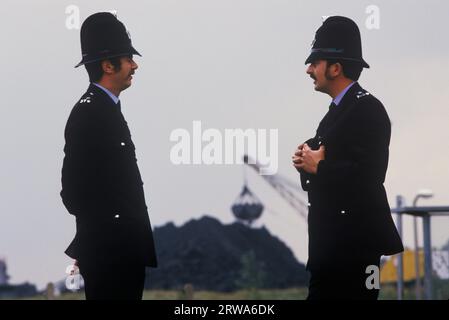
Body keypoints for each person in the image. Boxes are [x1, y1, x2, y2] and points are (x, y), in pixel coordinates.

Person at [292, 16, 403, 300]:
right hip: (330, 256)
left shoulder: (368, 110)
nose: (308, 70)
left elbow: (369, 178)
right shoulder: (339, 111)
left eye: (314, 63)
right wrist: (308, 162)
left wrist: (320, 166)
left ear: (335, 67)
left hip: (356, 257)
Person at [61, 12, 157, 300]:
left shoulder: (105, 108)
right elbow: (73, 192)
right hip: (111, 253)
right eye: (128, 59)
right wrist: (100, 239)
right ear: (107, 65)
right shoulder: (90, 113)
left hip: (120, 250)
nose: (134, 65)